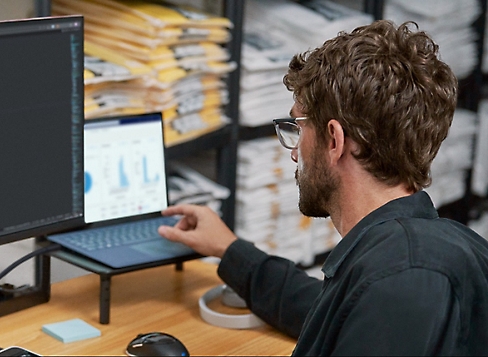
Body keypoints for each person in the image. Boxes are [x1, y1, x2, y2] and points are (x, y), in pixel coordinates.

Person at [158, 20, 488, 355]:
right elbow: (325, 309)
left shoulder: (398, 280)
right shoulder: (419, 255)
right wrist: (229, 250)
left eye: (297, 128)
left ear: (334, 140)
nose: (292, 151)